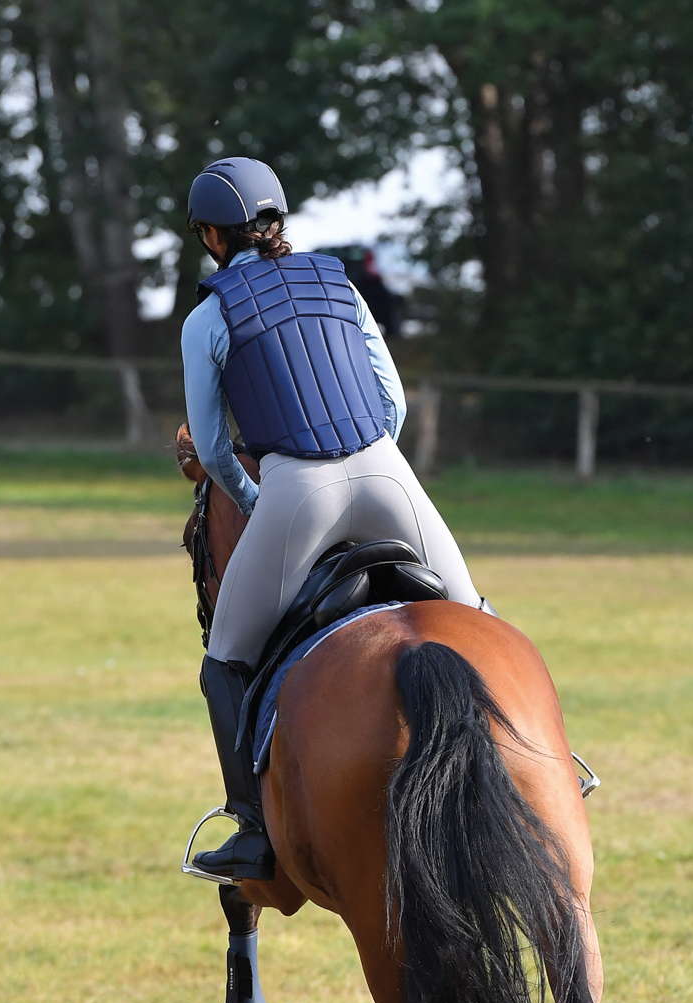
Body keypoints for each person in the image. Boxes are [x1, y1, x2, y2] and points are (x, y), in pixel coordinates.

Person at [182, 155, 484, 882]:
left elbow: (214, 447)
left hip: (296, 490)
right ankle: (539, 763)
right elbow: (395, 405)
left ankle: (251, 830)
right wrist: (370, 463)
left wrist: (258, 509)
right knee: (477, 619)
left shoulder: (207, 315)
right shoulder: (340, 282)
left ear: (210, 237)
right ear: (277, 220)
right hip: (387, 470)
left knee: (223, 660)